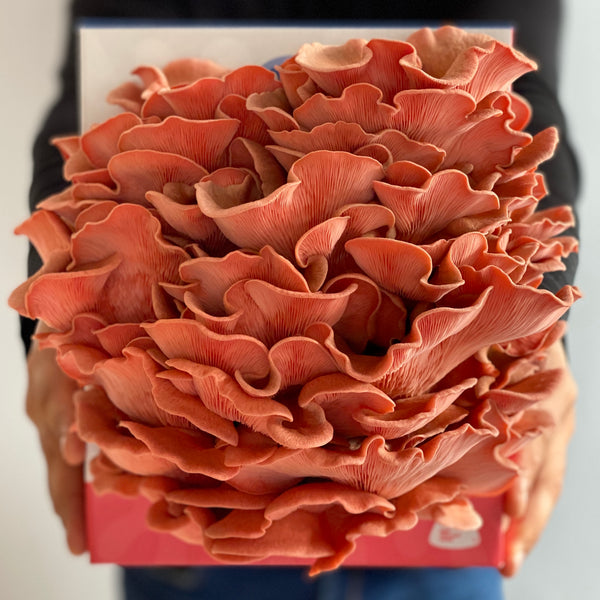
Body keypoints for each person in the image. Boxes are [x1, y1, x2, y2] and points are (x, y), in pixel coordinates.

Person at [22, 1, 579, 598]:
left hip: (429, 468)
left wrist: (530, 311)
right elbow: (100, 52)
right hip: (187, 475)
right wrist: (54, 313)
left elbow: (528, 79)